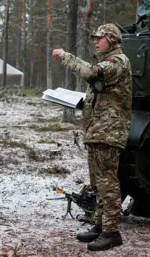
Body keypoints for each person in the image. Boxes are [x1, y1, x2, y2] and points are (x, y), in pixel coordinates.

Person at [52, 23, 132, 251]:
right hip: (98, 130)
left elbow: (89, 72)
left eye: (100, 38)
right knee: (98, 183)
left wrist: (66, 56)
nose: (96, 42)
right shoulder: (107, 61)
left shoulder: (117, 61)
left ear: (112, 40)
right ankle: (99, 225)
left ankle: (111, 232)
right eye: (95, 38)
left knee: (108, 182)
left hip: (109, 132)